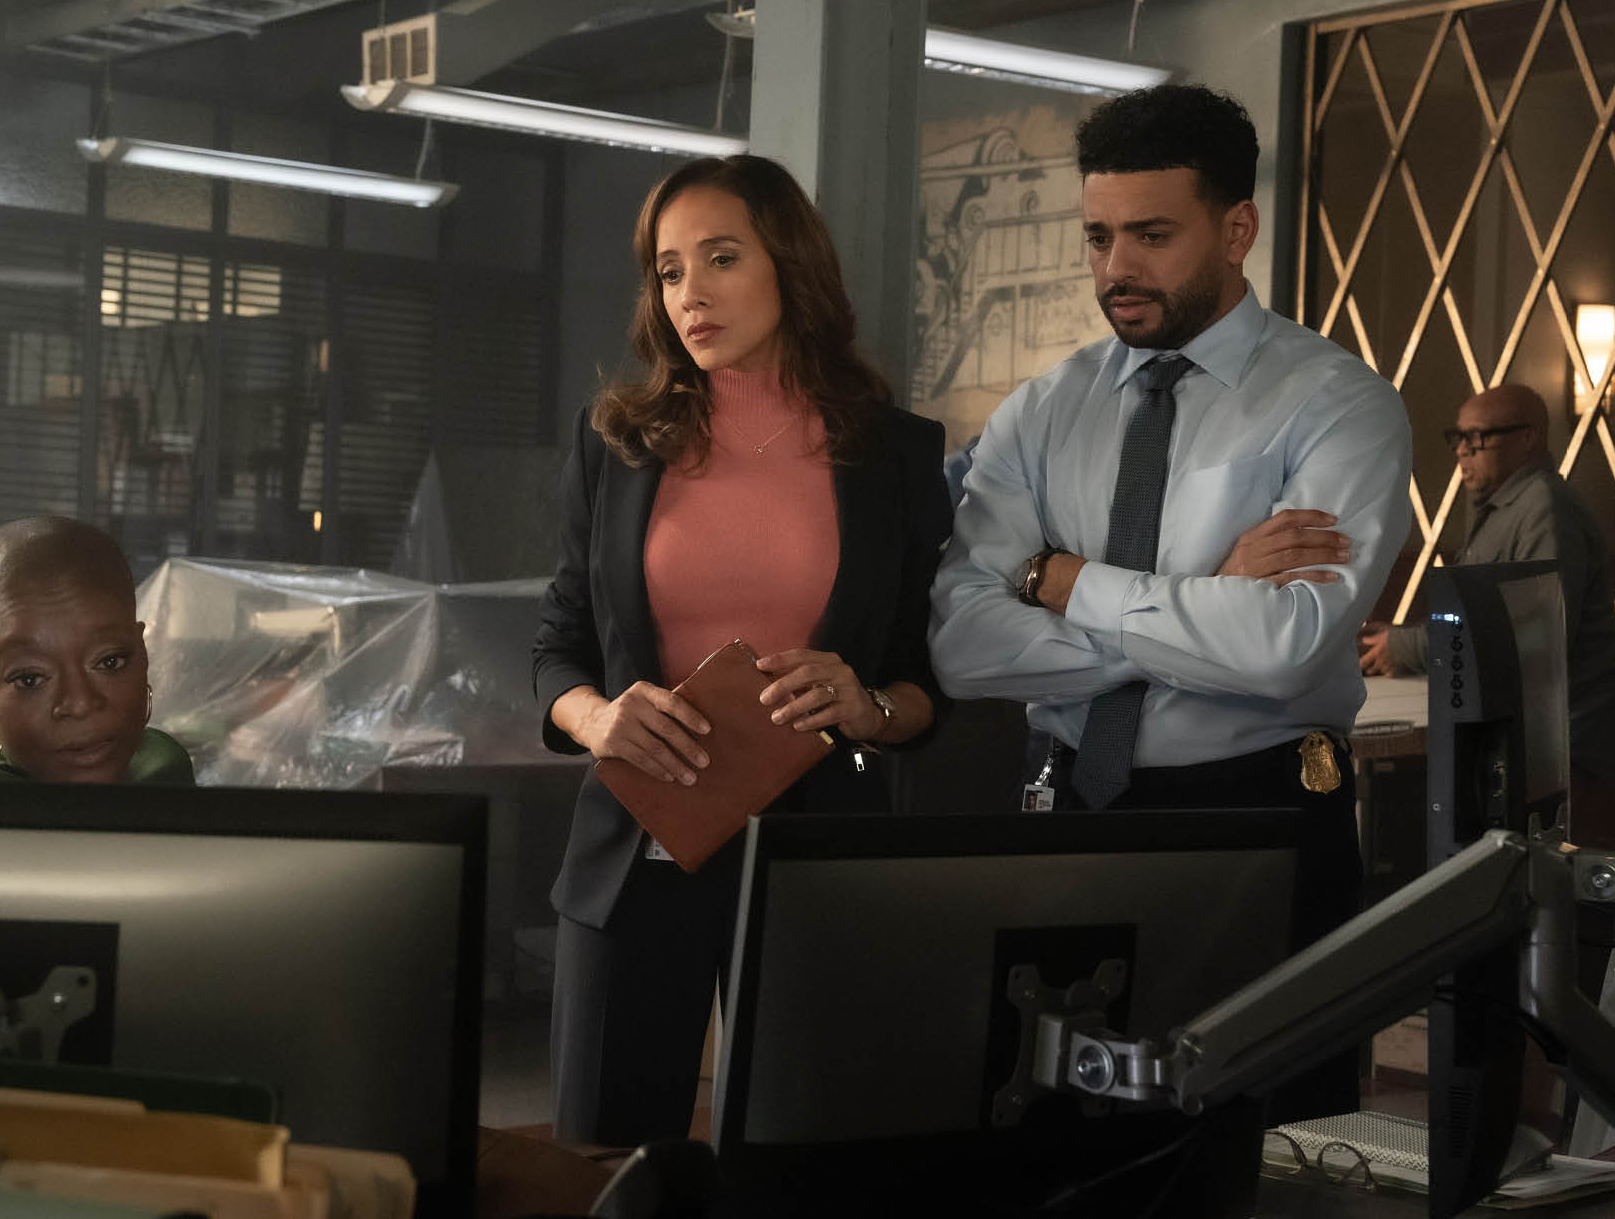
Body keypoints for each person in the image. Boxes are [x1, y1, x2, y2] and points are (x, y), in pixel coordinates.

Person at [928, 84, 1412, 1120]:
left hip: (1264, 812)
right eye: (1098, 236)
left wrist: (1062, 582)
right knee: (1069, 1142)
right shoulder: (1045, 409)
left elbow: (1283, 648)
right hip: (1066, 813)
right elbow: (963, 643)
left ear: (1237, 228)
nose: (1115, 269)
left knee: (1272, 1142)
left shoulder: (1339, 405)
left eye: (1152, 234)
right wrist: (1196, 616)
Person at [532, 153, 952, 1146]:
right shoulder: (616, 443)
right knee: (609, 1161)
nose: (690, 293)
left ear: (790, 265)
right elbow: (557, 646)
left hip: (816, 849)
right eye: (668, 269)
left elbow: (926, 680)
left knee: (804, 1167)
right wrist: (599, 717)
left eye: (720, 257)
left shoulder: (893, 454)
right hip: (636, 842)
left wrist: (869, 706)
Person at [1361, 383, 1615, 832]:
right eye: (1458, 438)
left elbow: (1531, 634)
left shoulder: (1543, 509)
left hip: (1566, 744)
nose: (1463, 451)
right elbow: (1482, 616)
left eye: (1479, 438)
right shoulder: (1506, 507)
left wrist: (1409, 645)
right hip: (1530, 735)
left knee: (1555, 881)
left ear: (1529, 437)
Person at [0, 515, 194, 784]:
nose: (80, 704)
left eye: (110, 662)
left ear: (141, 653)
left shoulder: (162, 768)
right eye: (30, 679)